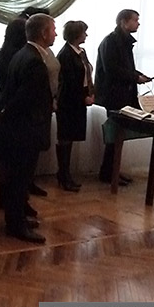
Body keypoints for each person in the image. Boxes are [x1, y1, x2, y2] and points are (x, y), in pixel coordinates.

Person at [0, 13, 56, 244]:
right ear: (43, 33)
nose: (56, 34)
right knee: (20, 178)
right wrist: (6, 114)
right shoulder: (34, 61)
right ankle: (16, 224)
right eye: (53, 29)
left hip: (19, 127)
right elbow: (24, 98)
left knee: (17, 178)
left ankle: (17, 218)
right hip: (26, 128)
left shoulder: (22, 54)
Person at [95, 9, 150, 184]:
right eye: (135, 20)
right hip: (113, 95)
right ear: (123, 22)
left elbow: (125, 67)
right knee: (115, 134)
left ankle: (112, 170)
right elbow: (112, 69)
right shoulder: (110, 42)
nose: (138, 23)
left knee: (119, 134)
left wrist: (138, 75)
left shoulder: (123, 41)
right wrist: (135, 77)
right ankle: (108, 172)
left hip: (122, 94)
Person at [56, 20, 94, 192]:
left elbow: (86, 75)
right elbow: (69, 82)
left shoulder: (81, 52)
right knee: (65, 138)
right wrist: (83, 97)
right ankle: (63, 174)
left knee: (70, 137)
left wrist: (90, 92)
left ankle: (65, 174)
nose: (86, 35)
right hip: (69, 101)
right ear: (76, 34)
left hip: (79, 99)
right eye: (84, 32)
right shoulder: (66, 54)